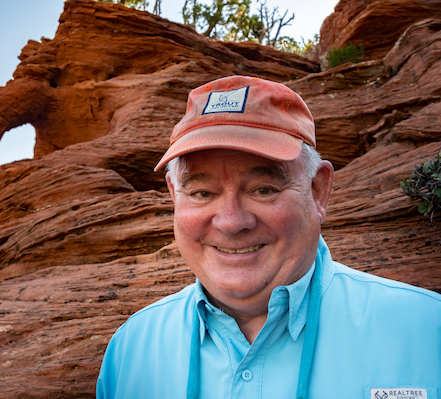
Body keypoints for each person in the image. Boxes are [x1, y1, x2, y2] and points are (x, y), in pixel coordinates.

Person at [96, 75, 441, 398]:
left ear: (318, 191)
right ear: (174, 195)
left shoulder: (427, 332)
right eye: (202, 192)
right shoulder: (130, 350)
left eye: (263, 189)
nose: (231, 222)